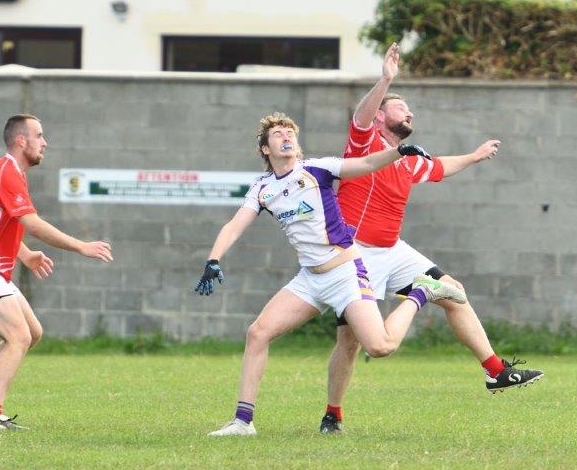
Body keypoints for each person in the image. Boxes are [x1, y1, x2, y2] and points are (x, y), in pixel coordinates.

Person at [196, 112, 467, 437]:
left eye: (290, 133)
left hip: (345, 273)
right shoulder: (262, 188)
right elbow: (235, 224)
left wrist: (399, 152)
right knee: (258, 333)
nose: (286, 137)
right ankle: (243, 422)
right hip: (310, 279)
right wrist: (214, 259)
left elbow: (365, 165)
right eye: (278, 134)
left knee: (380, 347)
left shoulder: (316, 169)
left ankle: (421, 293)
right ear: (265, 149)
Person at [319, 43, 543, 434]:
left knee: (454, 291)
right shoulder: (365, 144)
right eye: (401, 107)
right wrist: (386, 79)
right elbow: (360, 116)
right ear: (381, 118)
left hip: (393, 249)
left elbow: (439, 167)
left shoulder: (408, 159)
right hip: (356, 254)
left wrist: (473, 156)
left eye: (410, 109)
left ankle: (496, 372)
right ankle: (333, 413)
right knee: (350, 341)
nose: (409, 112)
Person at [0, 114, 113, 430]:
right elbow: (33, 224)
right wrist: (81, 246)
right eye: (39, 135)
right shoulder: (7, 172)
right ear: (21, 140)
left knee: (32, 333)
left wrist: (23, 254)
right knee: (18, 336)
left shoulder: (12, 173)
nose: (45, 142)